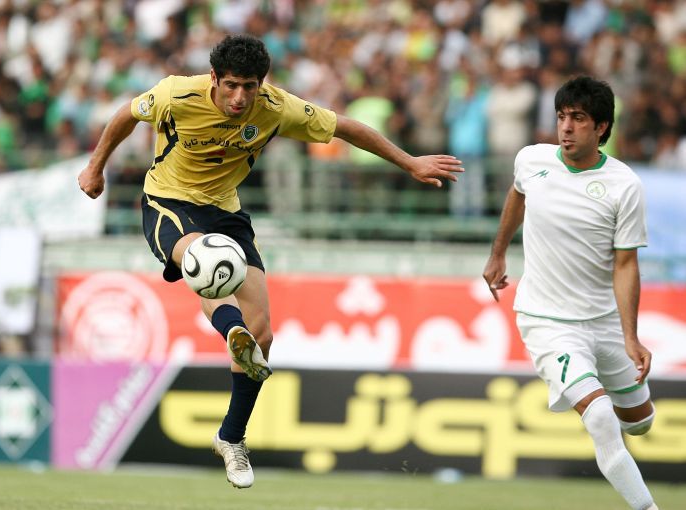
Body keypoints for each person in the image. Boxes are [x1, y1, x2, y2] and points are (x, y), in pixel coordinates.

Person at [78, 34, 463, 488]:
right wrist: (96, 166)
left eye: (250, 86)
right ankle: (230, 329)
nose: (240, 98)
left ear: (262, 83)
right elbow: (125, 115)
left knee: (262, 333)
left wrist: (409, 162)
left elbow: (345, 128)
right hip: (168, 201)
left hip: (225, 209)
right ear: (214, 78)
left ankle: (230, 436)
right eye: (232, 85)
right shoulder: (175, 94)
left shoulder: (277, 107)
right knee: (205, 261)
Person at [482, 76, 658, 510]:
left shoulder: (624, 185)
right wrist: (498, 252)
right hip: (548, 321)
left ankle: (627, 409)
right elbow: (518, 195)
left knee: (640, 423)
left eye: (578, 118)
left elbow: (625, 264)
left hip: (604, 321)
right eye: (562, 116)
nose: (566, 127)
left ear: (601, 127)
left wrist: (631, 337)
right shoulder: (532, 160)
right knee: (599, 417)